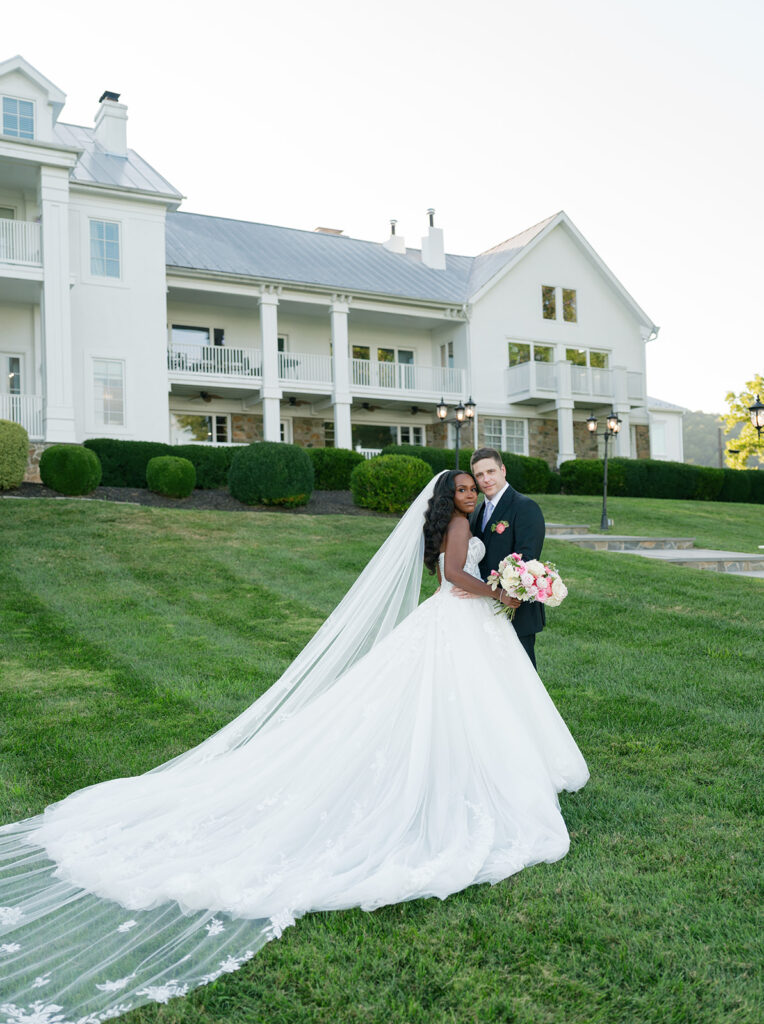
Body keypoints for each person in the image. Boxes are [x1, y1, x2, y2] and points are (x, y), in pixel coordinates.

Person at [0, 470, 587, 1023]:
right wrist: (500, 594)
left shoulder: (450, 524)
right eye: (459, 488)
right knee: (459, 702)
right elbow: (455, 576)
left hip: (450, 622)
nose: (466, 493)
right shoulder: (460, 527)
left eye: (470, 486)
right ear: (447, 499)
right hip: (460, 617)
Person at [467, 447, 546, 668]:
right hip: (482, 610)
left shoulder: (525, 507)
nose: (486, 479)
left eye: (490, 471)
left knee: (521, 678)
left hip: (515, 610)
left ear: (503, 470)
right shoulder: (476, 512)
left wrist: (482, 589)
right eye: (479, 475)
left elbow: (526, 561)